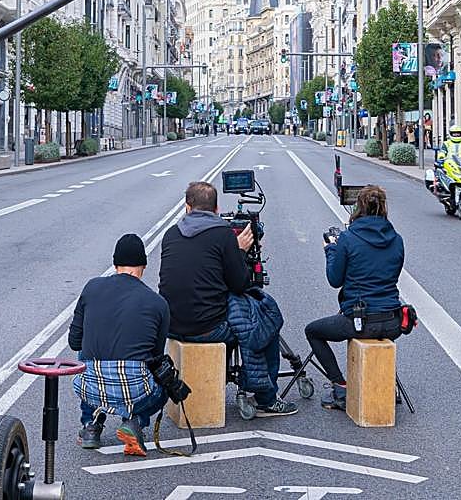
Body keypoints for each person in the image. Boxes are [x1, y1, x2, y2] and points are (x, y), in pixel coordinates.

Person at [158, 181, 297, 418]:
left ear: (187, 207)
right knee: (265, 324)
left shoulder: (171, 233)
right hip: (207, 328)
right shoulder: (222, 234)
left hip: (172, 325)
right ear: (216, 209)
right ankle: (266, 398)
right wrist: (239, 251)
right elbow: (241, 284)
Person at [304, 185, 405, 411]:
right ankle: (385, 385)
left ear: (358, 208)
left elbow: (335, 280)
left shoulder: (348, 239)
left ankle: (340, 386)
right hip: (392, 322)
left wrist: (331, 249)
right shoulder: (397, 239)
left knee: (312, 331)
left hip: (360, 322)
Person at [69, 234, 170, 456]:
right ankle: (134, 422)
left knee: (88, 360)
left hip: (91, 387)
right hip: (135, 389)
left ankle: (91, 427)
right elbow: (155, 357)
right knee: (164, 385)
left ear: (115, 264)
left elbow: (74, 341)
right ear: (143, 264)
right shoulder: (157, 302)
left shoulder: (91, 287)